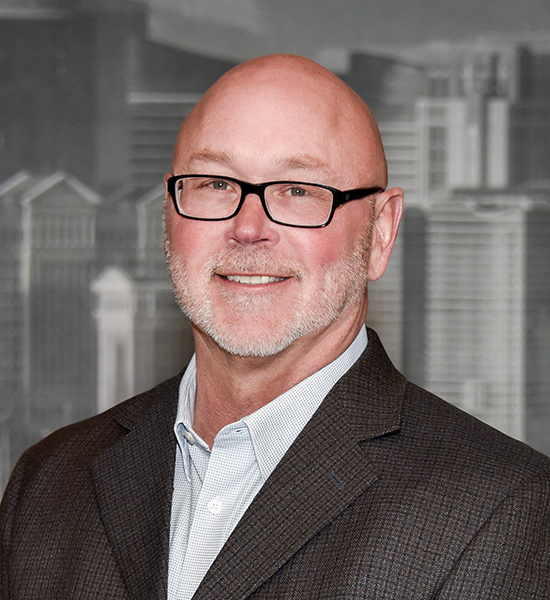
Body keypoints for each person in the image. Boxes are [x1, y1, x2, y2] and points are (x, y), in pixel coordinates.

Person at [1, 54, 549, 600]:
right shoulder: (48, 482)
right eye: (216, 183)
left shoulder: (501, 511)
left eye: (299, 190)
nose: (248, 228)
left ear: (380, 233)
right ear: (170, 211)